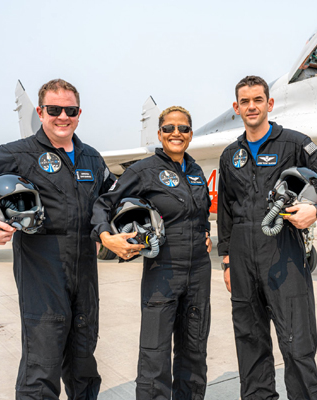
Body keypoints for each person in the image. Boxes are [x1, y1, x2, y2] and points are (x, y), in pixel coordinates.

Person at [0, 79, 115, 399]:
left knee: (83, 360)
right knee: (43, 361)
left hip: (85, 267)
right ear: (40, 112)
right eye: (54, 110)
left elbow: (112, 198)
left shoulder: (92, 158)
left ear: (79, 113)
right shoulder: (18, 153)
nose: (62, 116)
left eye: (70, 110)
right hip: (42, 264)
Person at [217, 75, 317, 399]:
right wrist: (227, 261)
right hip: (242, 258)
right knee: (249, 341)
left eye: (257, 100)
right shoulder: (230, 155)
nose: (251, 107)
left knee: (297, 342)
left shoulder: (294, 143)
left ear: (269, 104)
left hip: (284, 254)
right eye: (245, 101)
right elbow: (225, 211)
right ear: (236, 107)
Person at [91, 106, 212, 400]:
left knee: (194, 351)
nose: (176, 134)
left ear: (190, 134)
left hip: (198, 271)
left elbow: (199, 213)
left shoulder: (195, 171)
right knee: (154, 354)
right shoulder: (143, 170)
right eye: (169, 128)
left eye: (183, 129)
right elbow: (103, 204)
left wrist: (205, 231)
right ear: (159, 134)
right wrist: (107, 237)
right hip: (163, 271)